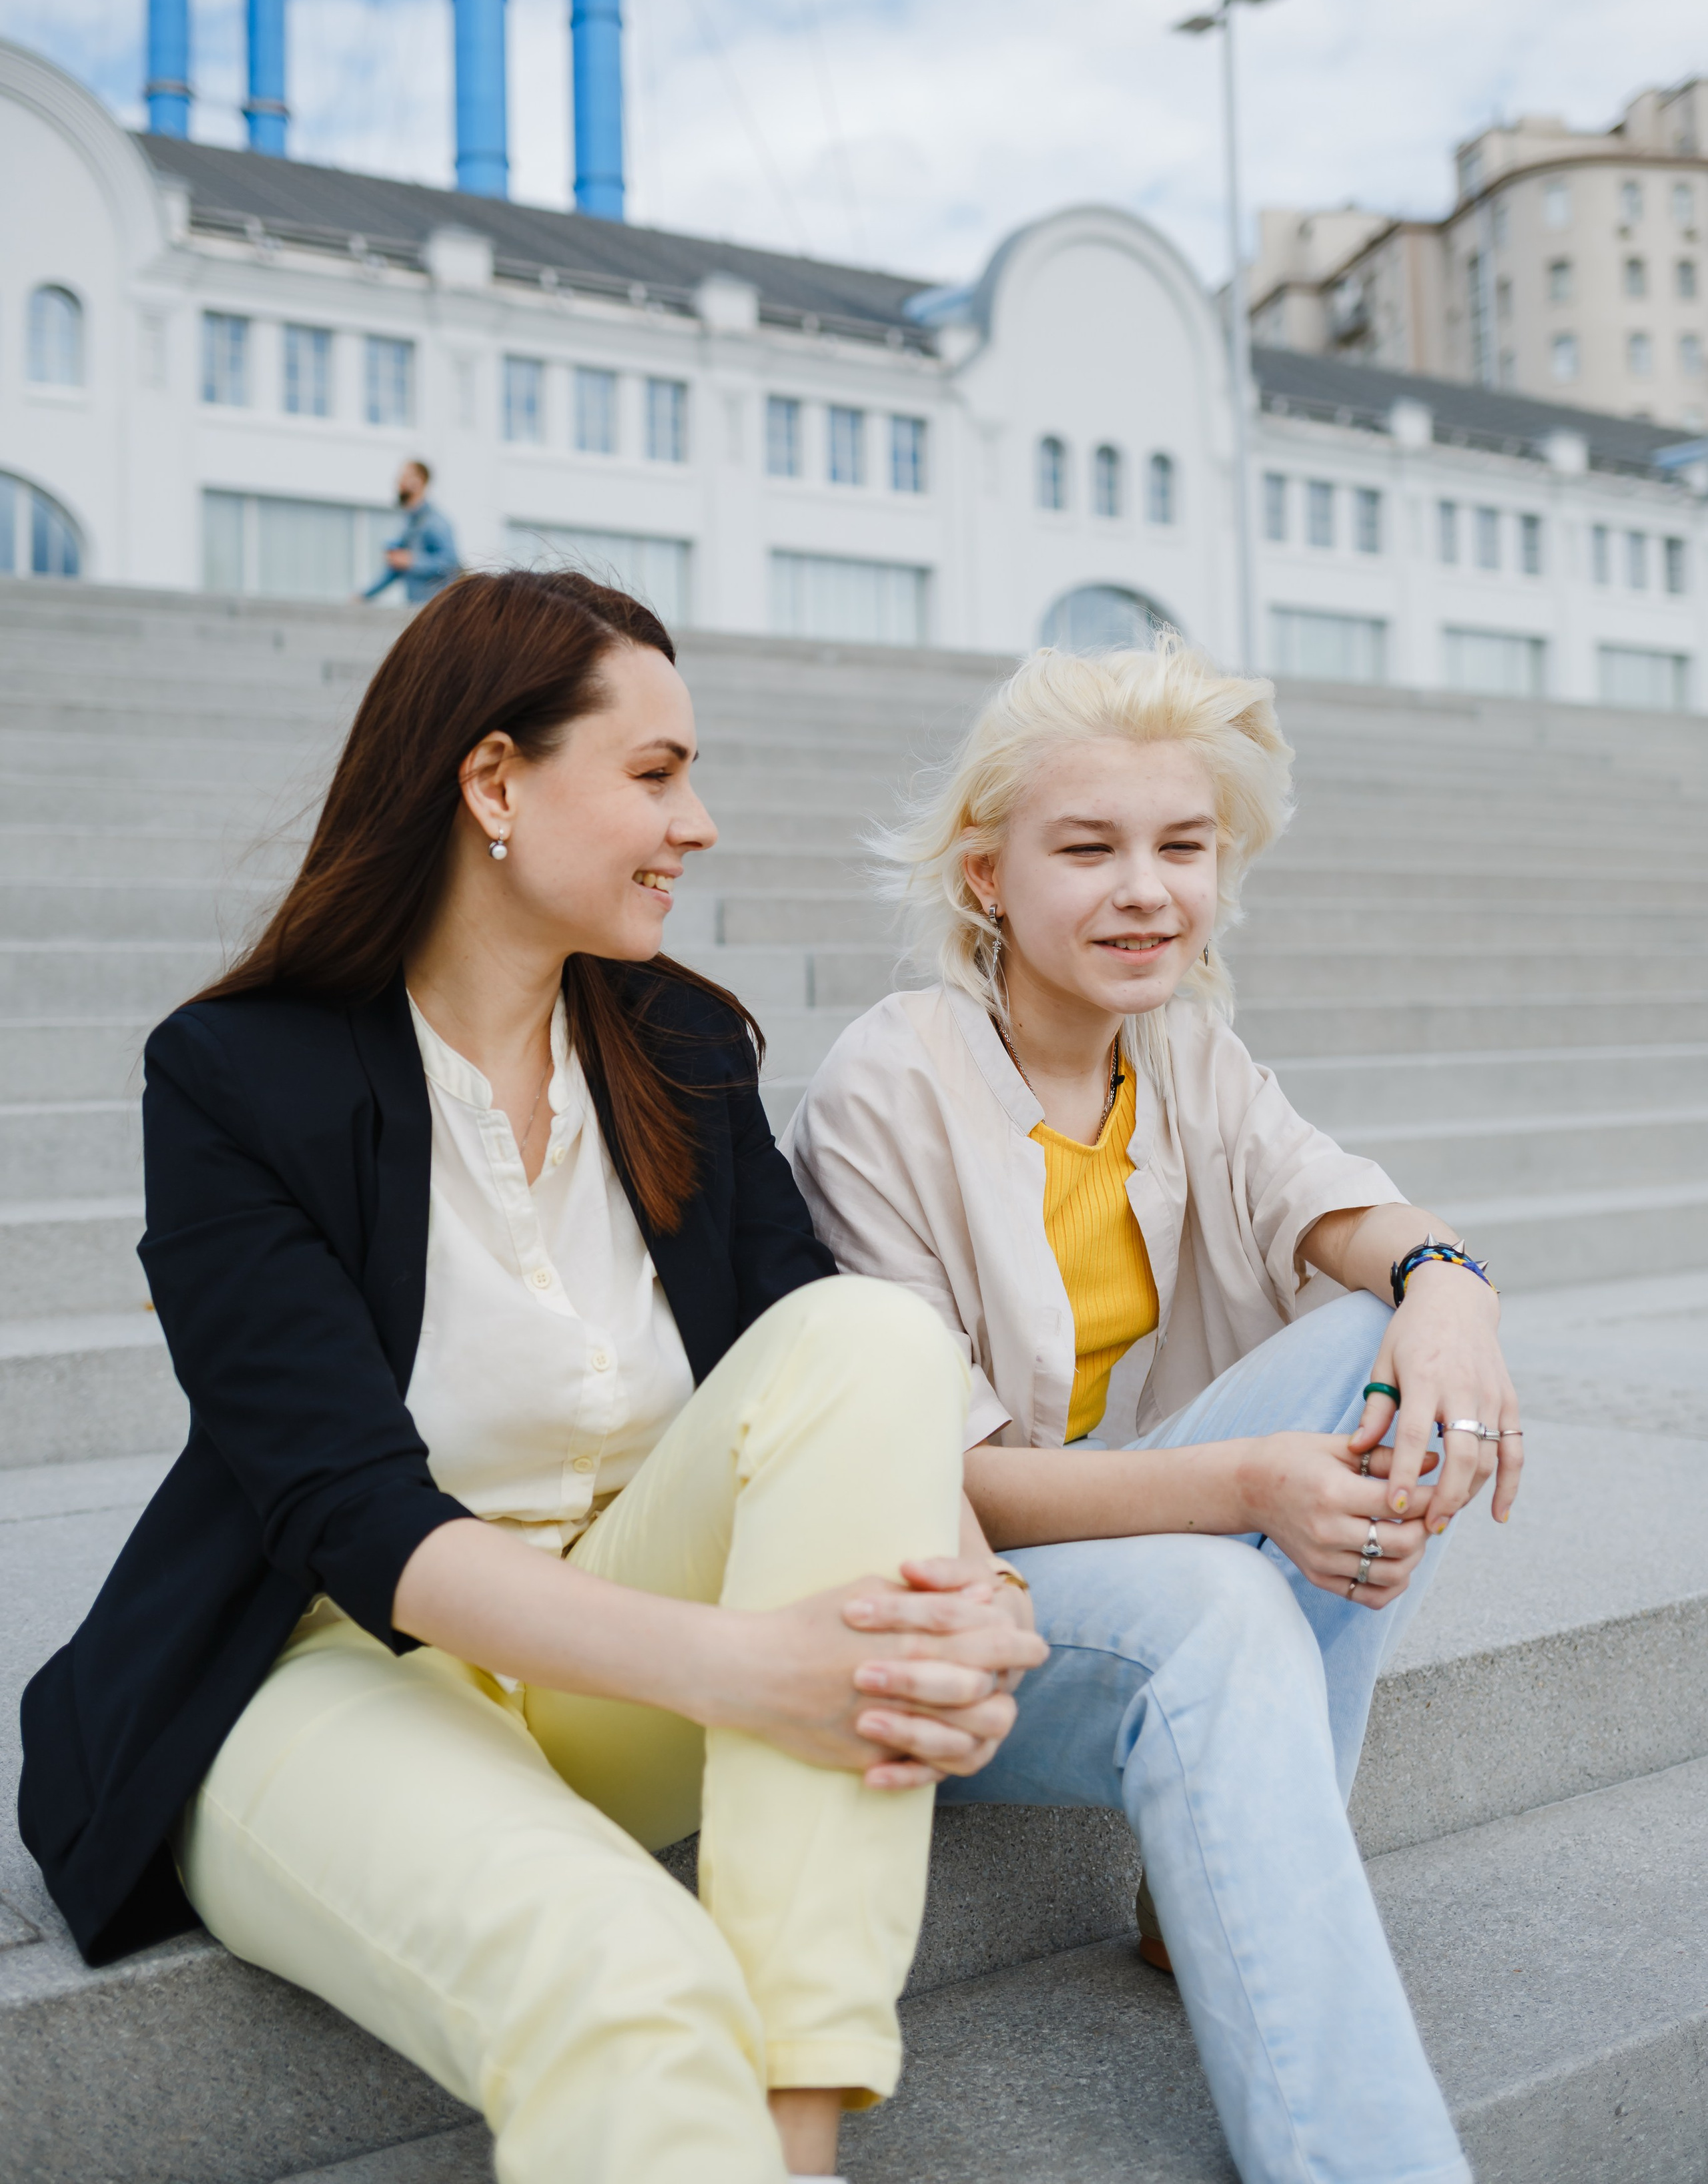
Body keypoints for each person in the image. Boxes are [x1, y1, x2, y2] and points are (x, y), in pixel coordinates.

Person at [18, 568, 1046, 2184]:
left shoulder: (681, 1045)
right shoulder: (235, 1077)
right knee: (631, 1981)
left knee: (872, 1331)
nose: (697, 823)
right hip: (329, 1668)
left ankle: (799, 2116)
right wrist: (746, 1668)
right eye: (655, 772)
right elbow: (352, 1516)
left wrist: (971, 1596)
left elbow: (816, 1349)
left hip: (609, 1656)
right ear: (492, 781)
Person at [786, 636, 1523, 2184]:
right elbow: (944, 1477)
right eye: (1087, 849)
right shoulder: (883, 1086)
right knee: (1219, 1598)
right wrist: (1249, 1485)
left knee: (1388, 1334)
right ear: (985, 876)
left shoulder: (1182, 1049)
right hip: (964, 1596)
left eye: (1180, 846)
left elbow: (1343, 1207)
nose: (1144, 891)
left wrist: (1451, 1285)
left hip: (1150, 1521)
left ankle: (1240, 1854)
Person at [361, 457, 461, 602]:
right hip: (415, 609)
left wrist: (412, 561)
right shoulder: (409, 522)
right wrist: (364, 596)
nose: (398, 483)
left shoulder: (436, 522)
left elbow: (451, 564)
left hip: (437, 608)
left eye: (404, 477)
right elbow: (395, 569)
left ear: (418, 482)